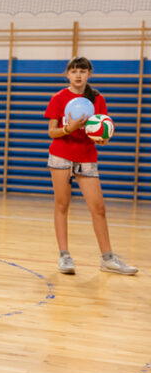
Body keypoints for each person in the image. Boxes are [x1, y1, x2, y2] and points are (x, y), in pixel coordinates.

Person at [45, 56, 137, 276]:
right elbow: (52, 132)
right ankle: (64, 256)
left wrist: (102, 138)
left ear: (89, 74)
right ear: (67, 74)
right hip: (60, 155)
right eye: (74, 71)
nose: (78, 75)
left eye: (83, 71)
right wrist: (68, 129)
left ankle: (108, 258)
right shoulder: (59, 98)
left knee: (98, 208)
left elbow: (101, 129)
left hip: (86, 157)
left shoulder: (97, 99)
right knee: (62, 205)